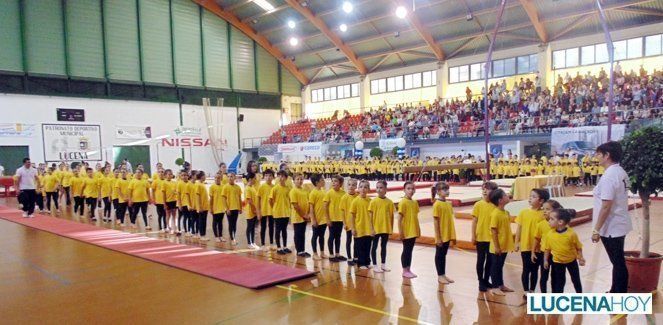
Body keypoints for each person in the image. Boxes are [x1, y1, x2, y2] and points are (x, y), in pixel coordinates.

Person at [591, 141, 631, 293]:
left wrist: (596, 229)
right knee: (617, 261)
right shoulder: (619, 171)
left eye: (599, 154)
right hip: (618, 222)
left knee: (618, 262)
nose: (597, 157)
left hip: (612, 226)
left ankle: (619, 293)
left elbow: (606, 205)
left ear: (607, 155)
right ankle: (616, 290)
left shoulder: (609, 176)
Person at [514, 189, 548, 296]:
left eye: (533, 196)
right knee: (526, 268)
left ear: (541, 201)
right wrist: (516, 242)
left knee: (535, 269)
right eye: (530, 196)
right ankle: (526, 290)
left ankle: (532, 289)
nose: (530, 198)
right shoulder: (524, 212)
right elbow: (519, 228)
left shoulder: (544, 214)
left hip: (538, 247)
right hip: (525, 245)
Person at [544, 209, 585, 293]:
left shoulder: (571, 234)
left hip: (571, 261)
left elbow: (578, 247)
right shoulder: (549, 234)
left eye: (552, 219)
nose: (549, 221)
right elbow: (547, 249)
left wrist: (580, 258)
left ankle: (580, 296)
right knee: (560, 282)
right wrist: (545, 260)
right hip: (557, 262)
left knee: (576, 280)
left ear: (560, 222)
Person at [472, 181, 499, 292]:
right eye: (483, 189)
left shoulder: (495, 206)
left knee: (490, 261)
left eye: (487, 189)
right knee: (481, 259)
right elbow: (474, 221)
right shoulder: (478, 204)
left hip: (491, 238)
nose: (484, 191)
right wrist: (473, 235)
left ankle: (486, 279)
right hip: (481, 237)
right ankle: (480, 282)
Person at [488, 188, 514, 296]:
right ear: (500, 200)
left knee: (500, 265)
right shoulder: (496, 214)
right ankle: (495, 287)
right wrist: (497, 246)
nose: (507, 195)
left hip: (504, 244)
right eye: (505, 195)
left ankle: (500, 284)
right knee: (496, 266)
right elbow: (494, 231)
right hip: (497, 246)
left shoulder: (506, 212)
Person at [531, 199, 561, 293]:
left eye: (548, 209)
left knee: (555, 276)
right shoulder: (540, 224)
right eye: (543, 209)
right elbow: (536, 238)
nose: (544, 211)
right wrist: (533, 252)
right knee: (544, 276)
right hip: (544, 254)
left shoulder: (560, 224)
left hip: (556, 253)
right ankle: (544, 295)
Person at [432, 181, 456, 284]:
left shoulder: (448, 203)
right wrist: (438, 237)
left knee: (444, 255)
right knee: (440, 255)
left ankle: (443, 274)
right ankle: (439, 275)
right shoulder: (437, 205)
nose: (447, 191)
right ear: (438, 192)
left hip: (447, 233)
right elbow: (436, 222)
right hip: (441, 235)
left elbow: (449, 220)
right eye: (444, 190)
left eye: (447, 189)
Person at [369, 180, 394, 273]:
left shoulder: (389, 202)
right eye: (377, 187)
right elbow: (370, 217)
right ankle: (375, 265)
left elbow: (391, 217)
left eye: (381, 187)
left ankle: (383, 264)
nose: (379, 190)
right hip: (376, 229)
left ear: (385, 189)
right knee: (374, 246)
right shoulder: (373, 202)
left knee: (384, 246)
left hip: (385, 228)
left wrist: (390, 228)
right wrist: (371, 228)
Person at [398, 181, 420, 278]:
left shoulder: (415, 202)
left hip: (413, 230)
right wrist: (401, 232)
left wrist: (418, 230)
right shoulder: (403, 202)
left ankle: (408, 269)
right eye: (408, 188)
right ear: (404, 190)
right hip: (406, 230)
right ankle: (404, 270)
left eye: (412, 189)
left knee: (410, 250)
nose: (411, 190)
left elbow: (415, 217)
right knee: (406, 250)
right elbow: (399, 219)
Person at [350, 180, 373, 269]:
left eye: (365, 187)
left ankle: (367, 261)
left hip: (368, 228)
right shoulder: (355, 201)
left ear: (369, 189)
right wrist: (353, 228)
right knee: (360, 246)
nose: (363, 189)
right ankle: (361, 263)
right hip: (359, 228)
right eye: (361, 187)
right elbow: (352, 216)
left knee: (368, 245)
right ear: (358, 189)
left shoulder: (370, 201)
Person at [325, 175, 346, 262]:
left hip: (340, 219)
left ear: (340, 183)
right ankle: (331, 255)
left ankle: (337, 253)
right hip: (332, 219)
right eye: (332, 181)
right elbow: (325, 207)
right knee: (332, 236)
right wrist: (327, 219)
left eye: (336, 181)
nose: (333, 183)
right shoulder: (329, 193)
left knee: (338, 236)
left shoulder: (343, 193)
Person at [270, 170, 292, 255]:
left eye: (283, 176)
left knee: (284, 230)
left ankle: (285, 246)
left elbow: (289, 200)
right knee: (278, 230)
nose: (281, 178)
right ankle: (279, 247)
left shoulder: (288, 189)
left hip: (286, 212)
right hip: (277, 213)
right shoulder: (275, 188)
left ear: (286, 178)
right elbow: (270, 200)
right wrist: (274, 208)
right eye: (279, 176)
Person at [289, 173, 310, 257]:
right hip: (298, 216)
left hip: (305, 216)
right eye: (297, 179)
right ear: (294, 181)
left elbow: (308, 202)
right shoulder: (293, 191)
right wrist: (303, 215)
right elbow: (295, 206)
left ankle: (302, 250)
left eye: (301, 179)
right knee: (298, 234)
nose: (299, 181)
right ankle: (299, 251)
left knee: (302, 233)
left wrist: (308, 214)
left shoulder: (304, 190)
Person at [309, 174, 328, 260]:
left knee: (322, 236)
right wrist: (313, 219)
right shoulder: (313, 193)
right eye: (322, 180)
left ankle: (322, 252)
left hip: (323, 219)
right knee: (315, 236)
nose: (324, 181)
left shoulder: (323, 191)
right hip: (316, 219)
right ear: (317, 182)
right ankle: (314, 253)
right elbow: (311, 208)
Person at [340, 178, 359, 266]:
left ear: (356, 186)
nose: (351, 187)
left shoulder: (358, 196)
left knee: (356, 241)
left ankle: (356, 256)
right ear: (347, 186)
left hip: (357, 223)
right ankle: (349, 257)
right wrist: (344, 223)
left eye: (353, 185)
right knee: (348, 240)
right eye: (349, 185)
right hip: (348, 222)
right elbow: (342, 211)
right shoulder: (344, 197)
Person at [257, 169, 275, 250]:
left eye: (270, 175)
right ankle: (263, 244)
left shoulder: (274, 187)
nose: (268, 177)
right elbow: (258, 200)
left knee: (271, 227)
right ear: (264, 177)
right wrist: (258, 211)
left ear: (273, 177)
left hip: (272, 211)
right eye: (266, 176)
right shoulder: (261, 187)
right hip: (263, 210)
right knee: (263, 227)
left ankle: (271, 243)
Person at [222, 173, 242, 246]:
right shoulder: (225, 187)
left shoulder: (238, 187)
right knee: (230, 224)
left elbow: (239, 198)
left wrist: (240, 208)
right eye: (229, 177)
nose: (230, 178)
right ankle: (232, 238)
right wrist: (227, 209)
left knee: (234, 224)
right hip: (229, 209)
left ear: (234, 178)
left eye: (231, 177)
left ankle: (234, 237)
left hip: (236, 208)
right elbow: (224, 199)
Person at [244, 173, 259, 249]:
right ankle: (249, 243)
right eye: (254, 178)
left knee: (253, 227)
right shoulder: (247, 188)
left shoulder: (252, 187)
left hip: (254, 211)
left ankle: (253, 242)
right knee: (249, 227)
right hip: (250, 211)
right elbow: (249, 201)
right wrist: (255, 209)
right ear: (250, 179)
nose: (255, 180)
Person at [209, 173, 226, 242]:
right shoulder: (212, 187)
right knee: (215, 222)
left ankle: (221, 235)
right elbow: (211, 199)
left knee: (220, 222)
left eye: (218, 178)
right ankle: (216, 236)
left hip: (222, 207)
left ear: (221, 179)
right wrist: (210, 208)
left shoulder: (223, 186)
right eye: (215, 178)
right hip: (215, 207)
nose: (217, 179)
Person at [163, 169, 178, 234]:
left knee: (174, 215)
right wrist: (164, 203)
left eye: (171, 174)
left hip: (174, 201)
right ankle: (168, 227)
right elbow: (163, 194)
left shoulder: (174, 183)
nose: (170, 175)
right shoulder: (164, 183)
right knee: (168, 215)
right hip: (168, 201)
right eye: (168, 174)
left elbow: (176, 191)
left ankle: (174, 227)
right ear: (165, 175)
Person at [177, 171, 191, 236]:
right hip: (182, 203)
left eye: (185, 175)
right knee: (182, 217)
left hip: (188, 203)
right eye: (182, 175)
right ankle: (182, 230)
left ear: (188, 176)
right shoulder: (179, 184)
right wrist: (179, 204)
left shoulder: (190, 183)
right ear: (180, 176)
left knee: (189, 217)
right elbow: (178, 195)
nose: (184, 177)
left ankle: (188, 230)